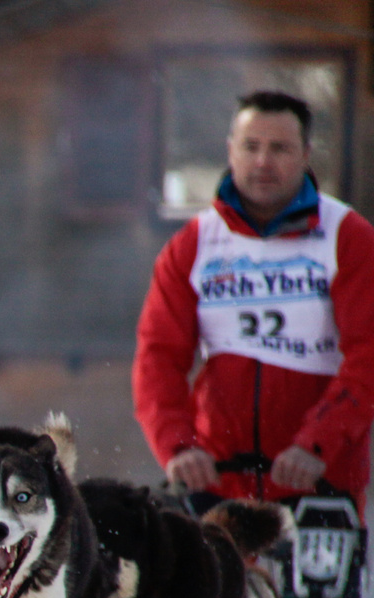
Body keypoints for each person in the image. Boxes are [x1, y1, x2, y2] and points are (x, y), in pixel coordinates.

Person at [133, 90, 374, 513]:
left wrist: (317, 443)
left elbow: (368, 356)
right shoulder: (194, 244)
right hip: (218, 484)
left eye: (279, 148)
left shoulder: (347, 237)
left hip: (320, 483)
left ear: (305, 154)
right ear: (231, 151)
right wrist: (178, 446)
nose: (263, 161)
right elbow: (158, 358)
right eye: (251, 146)